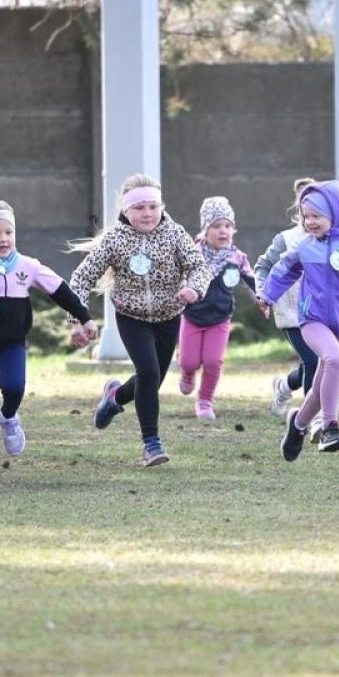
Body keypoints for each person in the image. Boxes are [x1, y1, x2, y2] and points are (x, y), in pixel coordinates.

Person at [0, 199, 97, 485]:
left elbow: (60, 290)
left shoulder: (27, 266)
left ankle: (8, 418)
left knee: (14, 388)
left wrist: (84, 317)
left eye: (8, 232)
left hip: (11, 344)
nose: (3, 239)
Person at [68, 174, 210, 467]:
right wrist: (77, 319)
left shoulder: (174, 234)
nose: (147, 213)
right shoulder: (115, 239)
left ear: (161, 207)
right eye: (139, 208)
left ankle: (115, 397)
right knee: (148, 372)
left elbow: (199, 266)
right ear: (125, 210)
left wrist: (194, 288)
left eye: (153, 206)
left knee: (152, 380)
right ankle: (151, 444)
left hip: (169, 317)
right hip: (131, 317)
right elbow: (81, 278)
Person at [260, 179, 339, 459]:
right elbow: (283, 270)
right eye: (306, 217)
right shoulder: (305, 246)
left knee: (322, 383)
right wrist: (267, 296)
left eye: (316, 216)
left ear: (337, 213)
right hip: (312, 318)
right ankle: (330, 426)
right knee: (335, 361)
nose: (310, 222)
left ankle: (298, 423)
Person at [177, 196, 256, 420]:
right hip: (192, 316)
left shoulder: (236, 258)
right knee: (189, 360)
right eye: (217, 226)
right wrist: (182, 290)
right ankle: (187, 372)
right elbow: (179, 275)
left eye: (228, 226)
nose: (224, 231)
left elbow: (251, 281)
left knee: (213, 361)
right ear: (205, 229)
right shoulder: (192, 253)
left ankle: (204, 401)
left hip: (220, 319)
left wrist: (263, 300)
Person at [255, 177, 318, 421]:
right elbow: (262, 266)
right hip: (291, 314)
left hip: (321, 314)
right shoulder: (286, 239)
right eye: (307, 212)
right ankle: (311, 417)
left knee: (313, 363)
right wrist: (263, 292)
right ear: (300, 211)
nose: (312, 218)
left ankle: (283, 386)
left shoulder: (333, 238)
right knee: (313, 360)